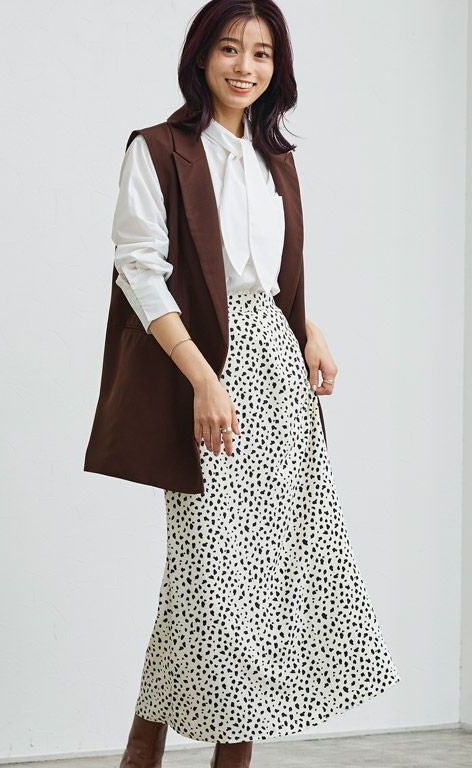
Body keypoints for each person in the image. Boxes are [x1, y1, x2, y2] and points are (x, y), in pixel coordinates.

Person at [85, 2, 401, 766]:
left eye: (261, 54)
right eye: (230, 49)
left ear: (275, 68)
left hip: (277, 374)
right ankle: (166, 750)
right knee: (209, 574)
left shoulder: (274, 161)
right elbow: (141, 272)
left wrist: (308, 329)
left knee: (262, 574)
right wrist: (202, 377)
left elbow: (266, 280)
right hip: (203, 370)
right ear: (201, 56)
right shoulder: (159, 150)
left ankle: (182, 753)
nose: (244, 67)